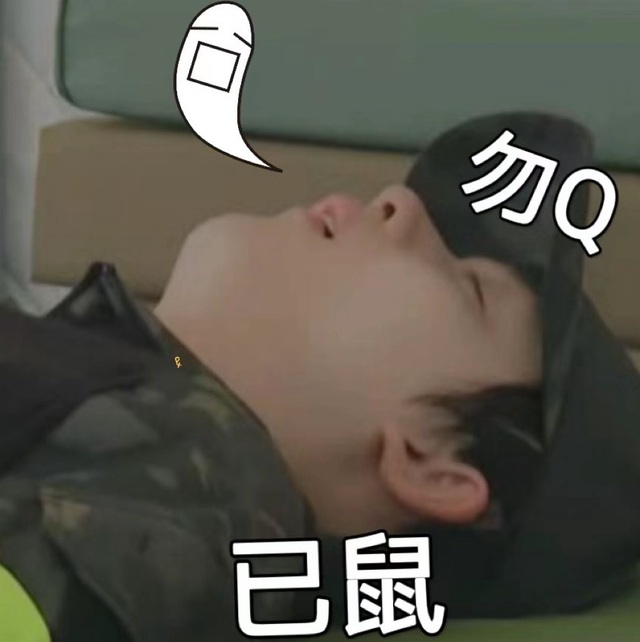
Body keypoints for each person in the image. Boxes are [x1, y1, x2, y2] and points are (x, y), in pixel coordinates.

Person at [0, 113, 639, 642]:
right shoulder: (121, 405)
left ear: (430, 465)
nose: (398, 203)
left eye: (468, 286)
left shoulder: (149, 534)